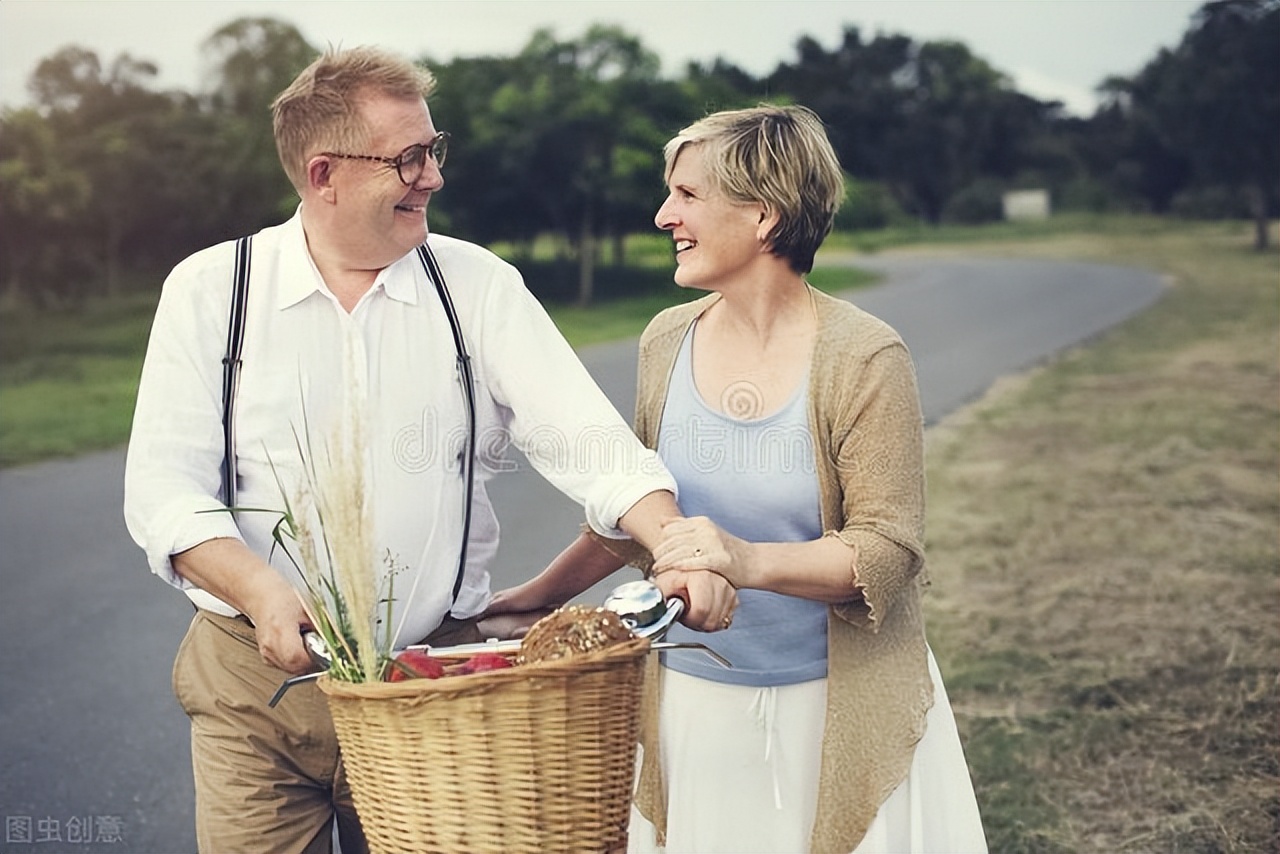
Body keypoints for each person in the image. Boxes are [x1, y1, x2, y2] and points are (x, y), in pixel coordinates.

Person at [123, 46, 735, 854]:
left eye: (434, 149)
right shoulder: (212, 292)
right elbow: (164, 492)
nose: (434, 177)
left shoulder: (475, 287)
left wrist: (678, 545)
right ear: (324, 174)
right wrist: (262, 592)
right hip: (255, 688)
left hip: (433, 684)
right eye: (409, 158)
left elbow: (592, 444)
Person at [486, 105, 988, 853]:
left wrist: (745, 560)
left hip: (836, 703)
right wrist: (537, 598)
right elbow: (642, 512)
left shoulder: (865, 356)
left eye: (687, 195)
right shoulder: (666, 339)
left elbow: (887, 550)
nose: (664, 216)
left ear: (763, 214)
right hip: (696, 703)